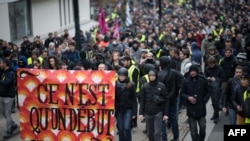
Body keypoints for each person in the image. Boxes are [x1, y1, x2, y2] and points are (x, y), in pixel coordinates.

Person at [180, 65, 210, 141]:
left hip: (201, 107)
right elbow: (182, 93)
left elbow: (208, 91)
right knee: (193, 130)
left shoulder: (202, 80)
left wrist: (204, 101)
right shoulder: (186, 81)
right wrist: (188, 98)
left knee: (202, 127)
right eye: (191, 71)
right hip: (191, 108)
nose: (193, 73)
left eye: (194, 71)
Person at [139, 69, 169, 141]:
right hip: (148, 112)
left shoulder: (161, 86)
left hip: (158, 112)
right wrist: (141, 113)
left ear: (156, 76)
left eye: (153, 75)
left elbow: (166, 101)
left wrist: (166, 114)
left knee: (157, 133)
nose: (152, 77)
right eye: (150, 76)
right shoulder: (145, 86)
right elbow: (142, 100)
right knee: (149, 133)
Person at [158, 56, 183, 141]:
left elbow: (159, 88)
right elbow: (182, 81)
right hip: (173, 98)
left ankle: (164, 138)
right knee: (173, 118)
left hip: (164, 100)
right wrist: (178, 91)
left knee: (163, 119)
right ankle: (176, 137)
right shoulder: (175, 72)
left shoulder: (160, 74)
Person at [115, 67, 137, 141]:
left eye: (123, 76)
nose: (121, 77)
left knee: (127, 127)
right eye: (120, 75)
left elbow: (134, 100)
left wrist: (134, 113)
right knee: (120, 128)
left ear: (126, 76)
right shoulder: (115, 85)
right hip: (119, 109)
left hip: (128, 109)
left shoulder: (131, 85)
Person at [0, 59, 18, 139]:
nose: (0, 65)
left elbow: (6, 83)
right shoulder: (3, 72)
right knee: (3, 113)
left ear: (5, 64)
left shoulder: (11, 73)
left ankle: (8, 131)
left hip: (8, 96)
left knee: (7, 114)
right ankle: (13, 125)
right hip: (2, 95)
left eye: (1, 63)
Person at [204, 56, 225, 124]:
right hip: (210, 86)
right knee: (213, 102)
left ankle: (216, 116)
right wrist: (208, 78)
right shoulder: (207, 68)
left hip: (217, 87)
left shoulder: (219, 68)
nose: (211, 66)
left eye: (212, 64)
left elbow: (223, 78)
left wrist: (215, 79)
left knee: (216, 102)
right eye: (210, 64)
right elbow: (205, 76)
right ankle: (215, 114)